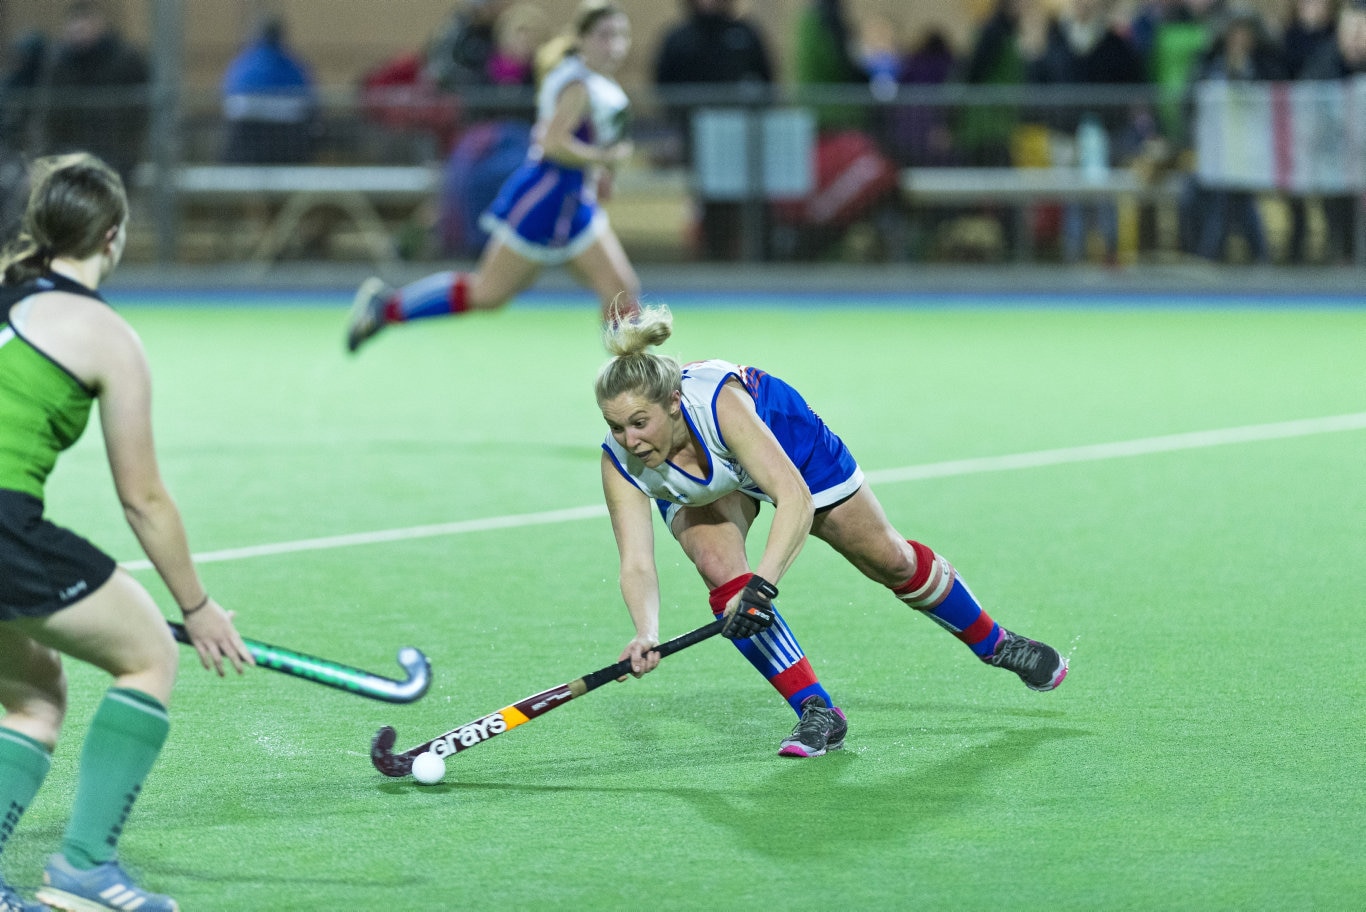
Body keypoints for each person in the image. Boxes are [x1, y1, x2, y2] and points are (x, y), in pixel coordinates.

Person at [596, 305, 1069, 759]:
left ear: (675, 402)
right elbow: (636, 563)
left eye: (640, 422)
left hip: (783, 438)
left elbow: (794, 500)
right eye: (616, 427)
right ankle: (816, 710)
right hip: (713, 481)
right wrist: (646, 632)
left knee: (890, 560)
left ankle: (996, 643)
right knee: (721, 572)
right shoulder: (622, 460)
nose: (630, 439)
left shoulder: (721, 405)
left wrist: (762, 586)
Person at [0, 153, 254, 912]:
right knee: (147, 655)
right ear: (111, 237)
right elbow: (142, 497)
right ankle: (83, 868)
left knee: (33, 694)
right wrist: (198, 606)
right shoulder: (106, 333)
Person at [346, 0, 639, 353]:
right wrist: (602, 157)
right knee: (487, 293)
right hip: (544, 201)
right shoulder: (577, 85)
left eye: (621, 35)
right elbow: (551, 144)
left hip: (575, 204)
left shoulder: (595, 84)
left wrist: (598, 170)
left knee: (620, 288)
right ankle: (388, 307)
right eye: (605, 35)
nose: (615, 45)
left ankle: (632, 389)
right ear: (581, 38)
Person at [652, 0, 776, 261]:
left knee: (757, 203)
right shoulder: (678, 38)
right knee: (714, 205)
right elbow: (662, 90)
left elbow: (768, 82)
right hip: (697, 142)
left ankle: (764, 259)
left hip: (742, 142)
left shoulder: (745, 33)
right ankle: (715, 260)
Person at [36, 1, 149, 185]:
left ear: (99, 24)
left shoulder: (125, 58)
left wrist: (129, 141)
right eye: (75, 29)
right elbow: (49, 113)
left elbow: (142, 104)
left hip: (115, 151)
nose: (79, 34)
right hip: (69, 150)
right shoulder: (59, 62)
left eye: (85, 27)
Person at [220, 15, 318, 165]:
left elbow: (228, 95)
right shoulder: (292, 64)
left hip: (249, 137)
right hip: (285, 139)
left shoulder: (244, 63)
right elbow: (309, 98)